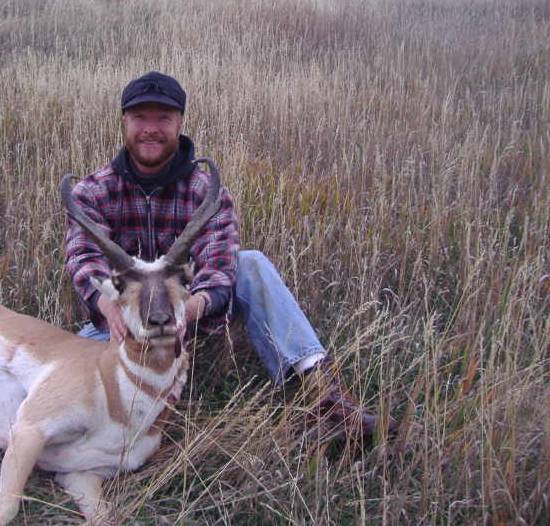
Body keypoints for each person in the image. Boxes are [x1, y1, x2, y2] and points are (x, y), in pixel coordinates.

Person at [64, 71, 390, 440]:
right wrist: (107, 308)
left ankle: (324, 395)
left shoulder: (206, 190)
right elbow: (84, 257)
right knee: (68, 379)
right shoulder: (93, 191)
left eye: (163, 119)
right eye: (141, 118)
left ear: (180, 123)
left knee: (250, 263)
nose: (150, 129)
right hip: (125, 325)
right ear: (124, 121)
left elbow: (220, 263)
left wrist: (188, 310)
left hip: (193, 323)